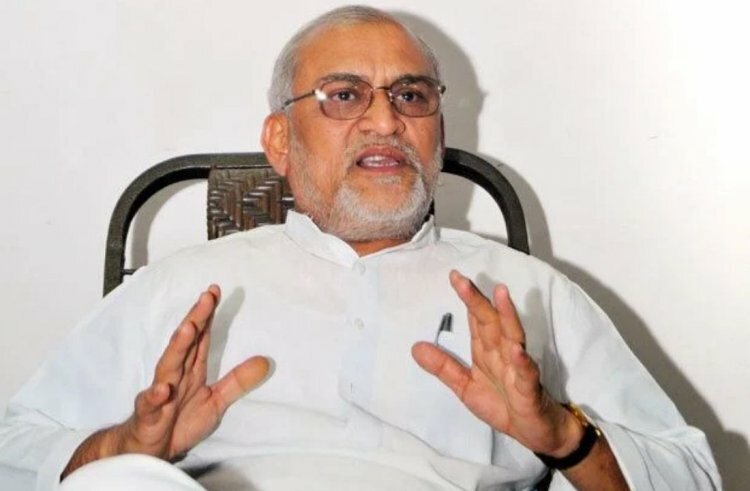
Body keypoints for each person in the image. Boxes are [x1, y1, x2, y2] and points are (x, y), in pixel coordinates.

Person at [0, 6, 720, 491]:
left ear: (437, 131)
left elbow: (692, 475)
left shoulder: (525, 292)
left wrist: (565, 435)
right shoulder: (183, 288)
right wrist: (124, 446)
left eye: (411, 96)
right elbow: (14, 449)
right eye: (344, 95)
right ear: (280, 139)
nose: (385, 121)